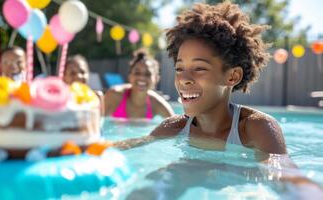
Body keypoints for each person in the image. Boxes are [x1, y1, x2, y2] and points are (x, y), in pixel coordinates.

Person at [114, 1, 323, 193]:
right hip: (189, 178)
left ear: (232, 76)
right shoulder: (174, 127)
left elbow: (285, 175)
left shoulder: (255, 128)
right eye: (179, 68)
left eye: (199, 68)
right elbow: (130, 146)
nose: (184, 79)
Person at [104, 49, 174, 120]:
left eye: (147, 74)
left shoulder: (157, 104)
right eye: (137, 73)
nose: (142, 77)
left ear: (156, 79)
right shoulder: (115, 95)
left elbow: (177, 126)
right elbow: (96, 122)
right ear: (130, 76)